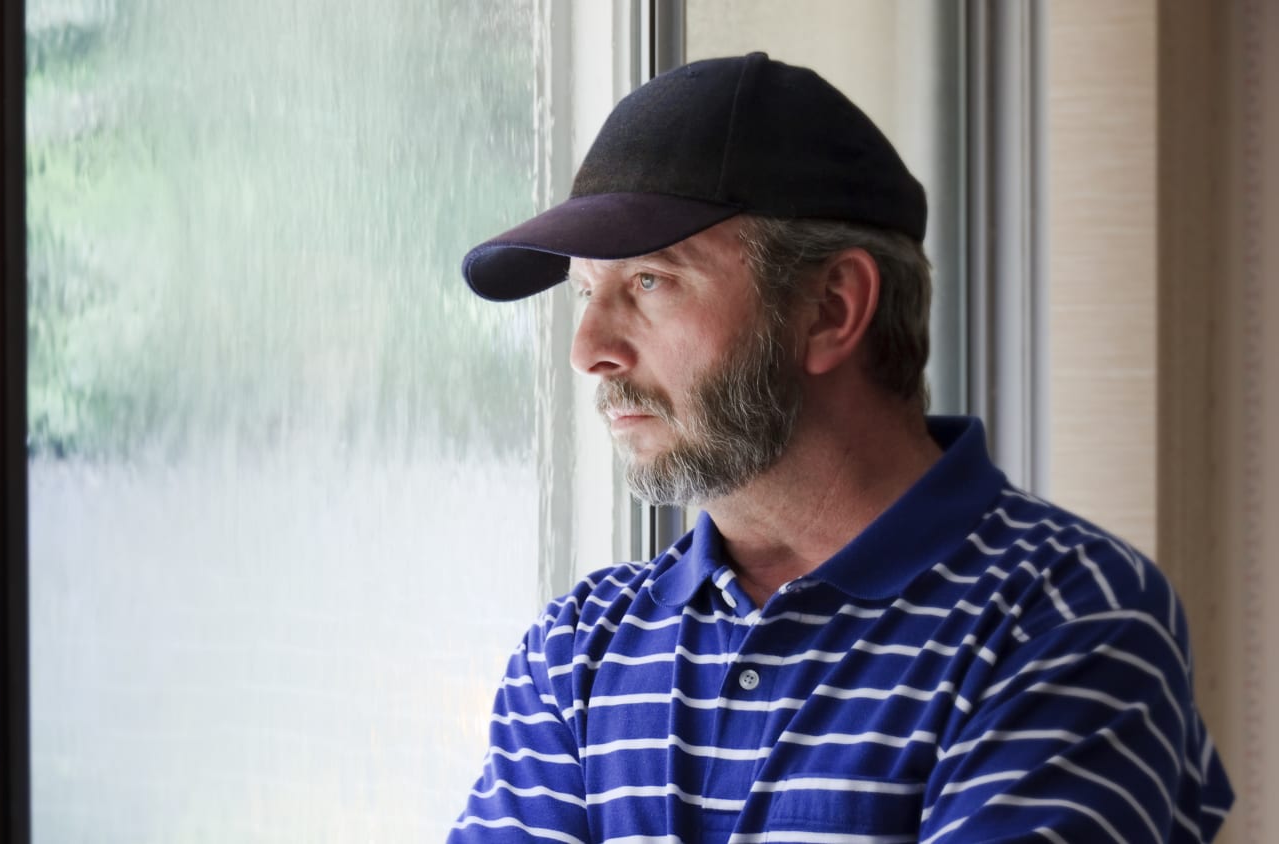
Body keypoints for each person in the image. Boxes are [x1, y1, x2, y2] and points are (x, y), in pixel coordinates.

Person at [448, 53, 1233, 843]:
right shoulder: (578, 653)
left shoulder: (1064, 618)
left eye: (651, 281)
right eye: (586, 291)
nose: (589, 349)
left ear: (831, 307)